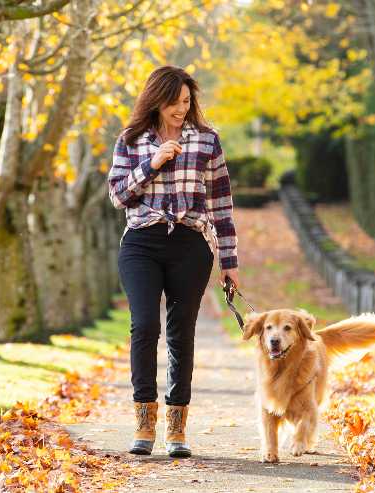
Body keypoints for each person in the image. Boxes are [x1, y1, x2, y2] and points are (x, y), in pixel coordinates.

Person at [107, 65, 240, 458]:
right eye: (174, 102)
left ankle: (177, 428)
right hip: (141, 243)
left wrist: (229, 261)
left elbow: (221, 204)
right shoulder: (131, 140)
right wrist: (153, 163)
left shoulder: (207, 141)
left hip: (190, 243)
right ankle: (144, 421)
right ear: (156, 101)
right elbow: (117, 196)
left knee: (182, 331)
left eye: (186, 102)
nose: (181, 109)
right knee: (144, 325)